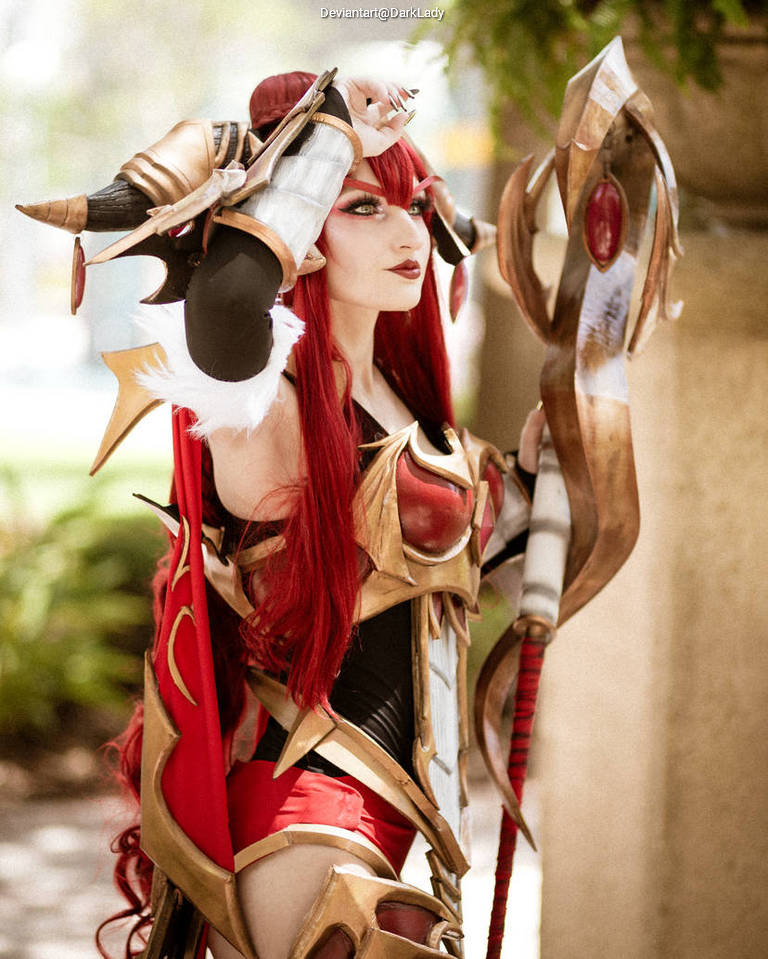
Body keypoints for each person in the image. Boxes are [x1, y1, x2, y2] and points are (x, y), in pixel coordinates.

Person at [21, 70, 544, 959]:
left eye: (415, 206)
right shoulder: (268, 405)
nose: (408, 233)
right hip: (309, 819)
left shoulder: (415, 418)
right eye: (362, 207)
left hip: (408, 818)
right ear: (298, 234)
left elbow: (499, 556)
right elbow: (229, 304)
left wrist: (563, 439)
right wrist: (326, 136)